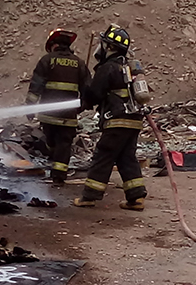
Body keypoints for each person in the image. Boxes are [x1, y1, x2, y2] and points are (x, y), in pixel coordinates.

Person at [73, 25, 147, 210]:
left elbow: (96, 94)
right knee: (126, 157)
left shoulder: (108, 68)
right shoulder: (128, 67)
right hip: (134, 119)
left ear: (110, 47)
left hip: (117, 119)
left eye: (104, 44)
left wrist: (85, 97)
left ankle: (89, 196)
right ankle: (136, 197)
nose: (101, 48)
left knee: (103, 155)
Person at [26, 29, 91, 185]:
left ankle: (54, 168)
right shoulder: (79, 63)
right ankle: (59, 177)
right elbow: (88, 90)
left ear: (53, 45)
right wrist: (81, 107)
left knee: (51, 142)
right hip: (68, 117)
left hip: (48, 116)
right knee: (64, 144)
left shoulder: (47, 60)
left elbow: (36, 86)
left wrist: (30, 107)